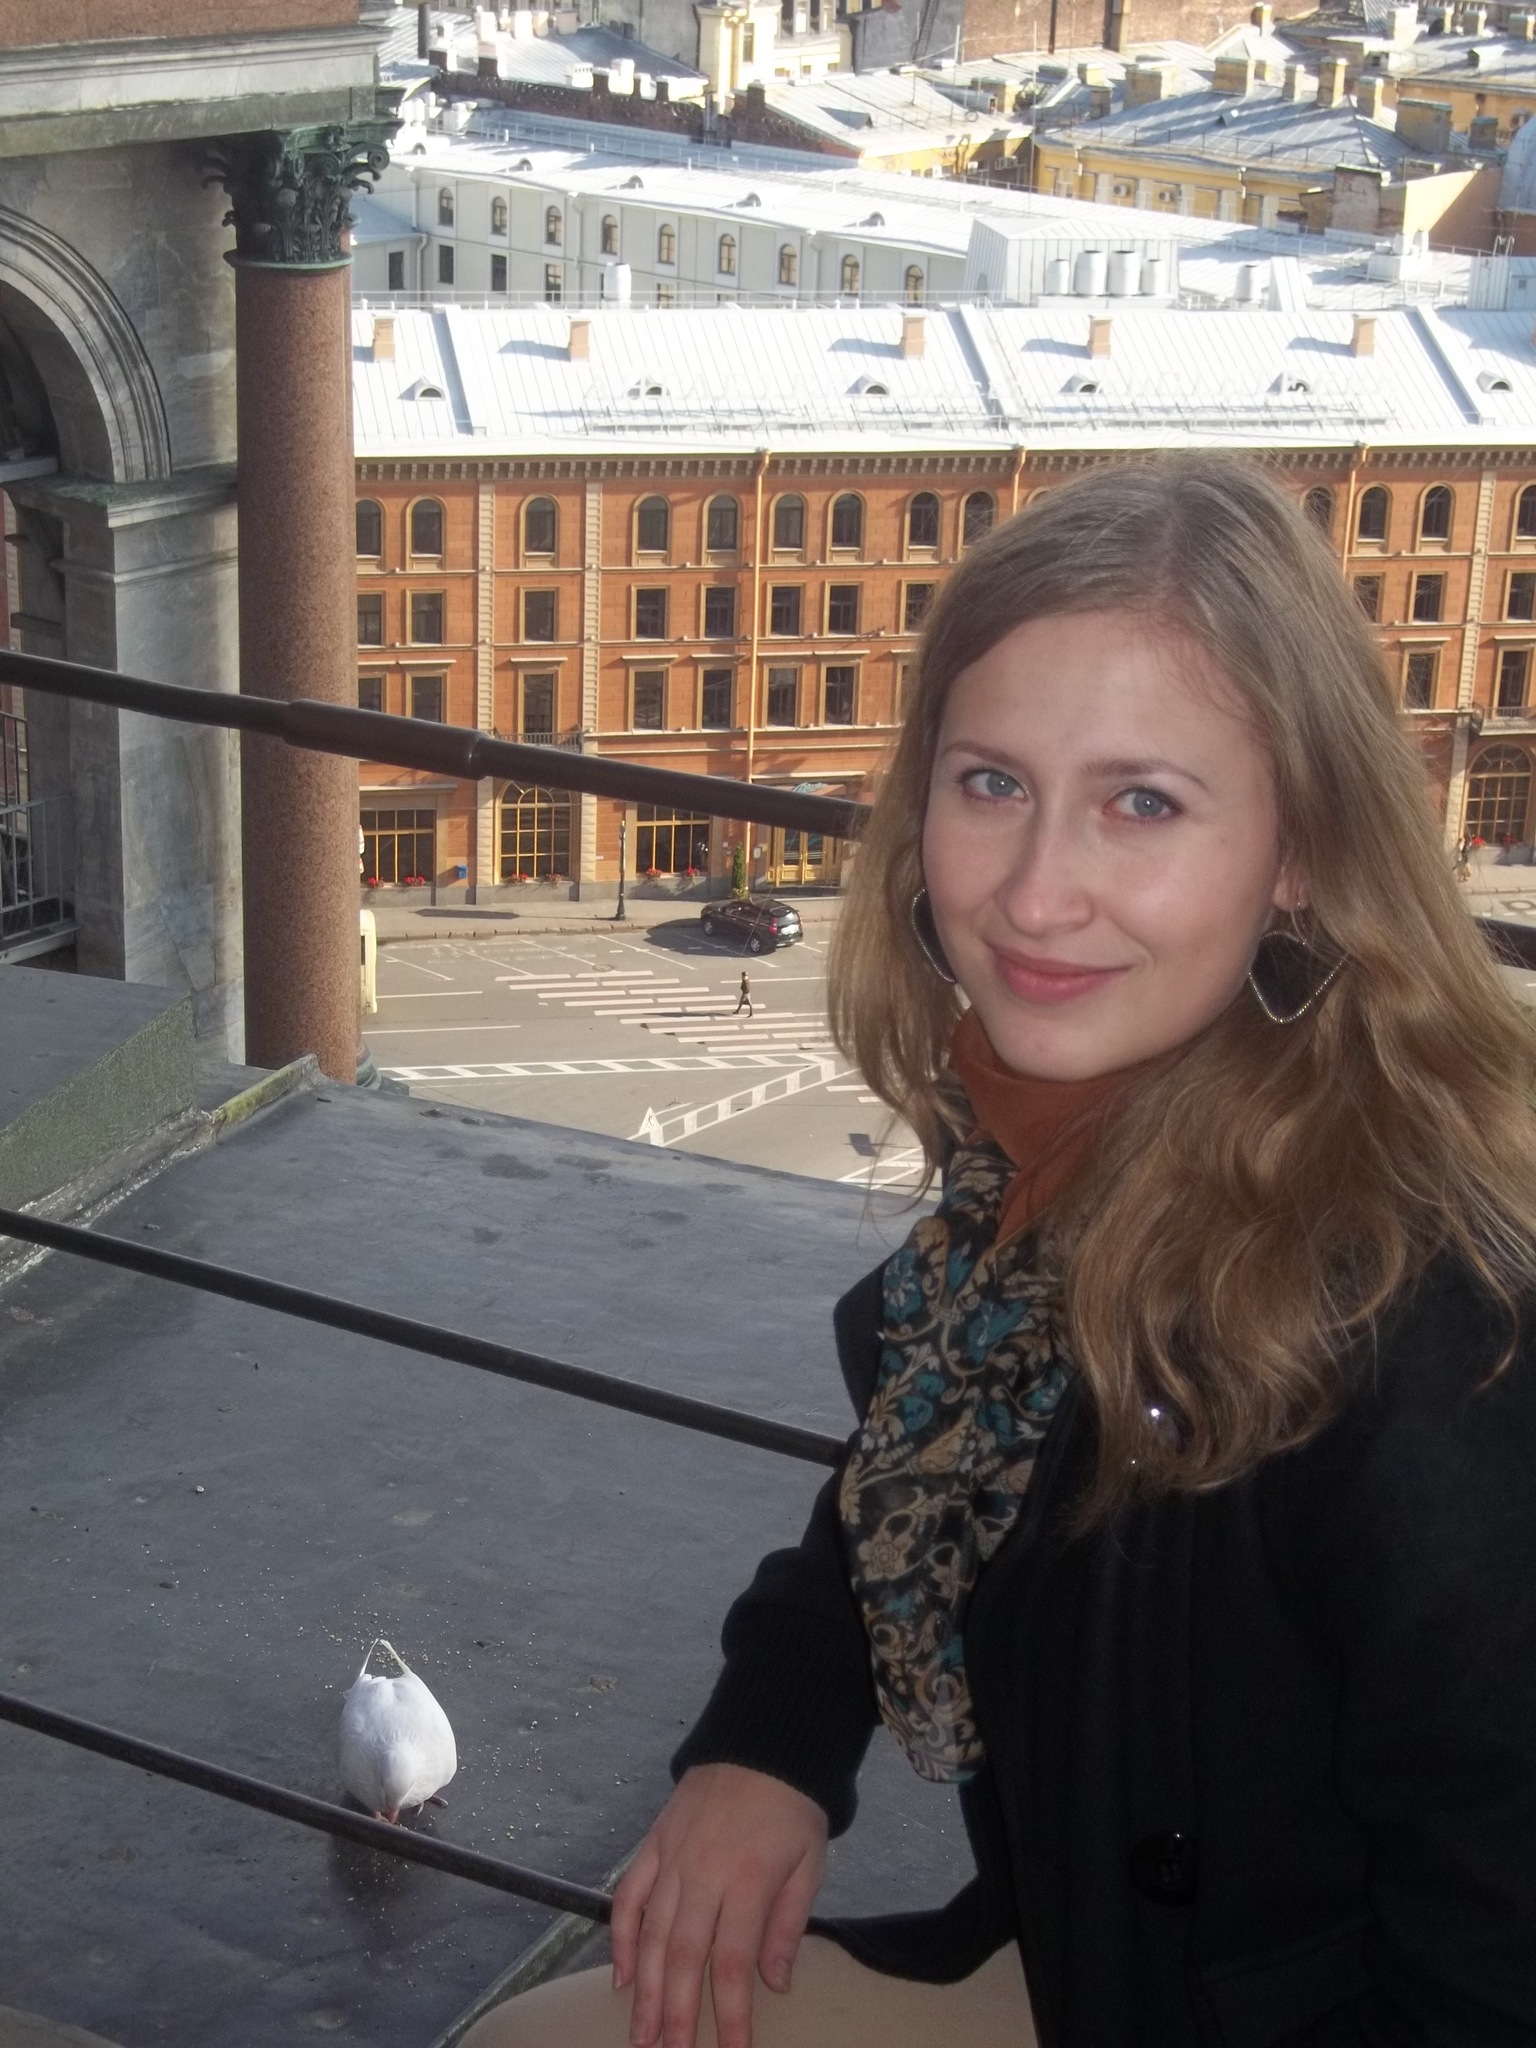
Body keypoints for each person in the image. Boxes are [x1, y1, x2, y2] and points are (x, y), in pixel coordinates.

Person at [464, 458, 1536, 2048]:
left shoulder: (1433, 1319)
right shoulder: (1061, 1166)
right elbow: (945, 1482)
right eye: (991, 784)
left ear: (1300, 849)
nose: (1037, 894)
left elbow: (1494, 1959)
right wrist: (770, 1741)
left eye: (1142, 803)